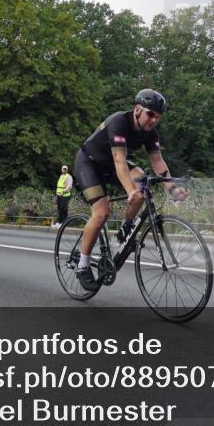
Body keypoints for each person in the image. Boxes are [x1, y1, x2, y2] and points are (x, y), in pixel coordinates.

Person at [71, 89, 187, 291]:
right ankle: (83, 265)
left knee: (143, 182)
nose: (153, 120)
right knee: (102, 213)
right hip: (89, 163)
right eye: (150, 114)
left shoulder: (151, 133)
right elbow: (119, 160)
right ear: (137, 109)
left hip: (113, 164)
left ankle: (126, 229)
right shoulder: (119, 122)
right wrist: (129, 190)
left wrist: (173, 189)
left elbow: (158, 161)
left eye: (157, 117)